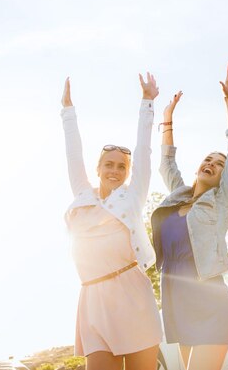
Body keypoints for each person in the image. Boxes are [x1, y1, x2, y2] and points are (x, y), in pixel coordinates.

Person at [150, 60, 228, 370]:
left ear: (224, 176)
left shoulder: (221, 202)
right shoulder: (177, 195)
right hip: (175, 299)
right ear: (198, 167)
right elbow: (167, 164)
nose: (212, 163)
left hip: (209, 299)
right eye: (208, 159)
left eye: (219, 164)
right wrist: (167, 120)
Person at [60, 74, 162, 370]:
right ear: (98, 168)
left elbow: (144, 151)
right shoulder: (82, 195)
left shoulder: (132, 197)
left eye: (122, 166)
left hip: (132, 293)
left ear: (128, 172)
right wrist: (68, 111)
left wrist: (147, 103)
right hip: (93, 298)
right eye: (109, 165)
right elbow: (72, 154)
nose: (115, 170)